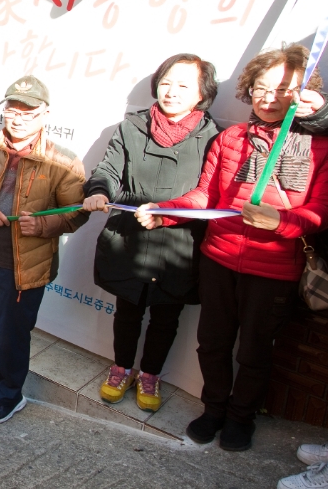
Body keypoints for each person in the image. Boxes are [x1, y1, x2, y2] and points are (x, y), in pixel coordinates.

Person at [136, 44, 328, 452]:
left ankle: (242, 417)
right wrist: (164, 212)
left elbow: (325, 211)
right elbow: (204, 197)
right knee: (212, 342)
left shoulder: (323, 147)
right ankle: (213, 410)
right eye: (261, 87)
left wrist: (283, 222)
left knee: (256, 351)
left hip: (276, 269)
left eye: (282, 89)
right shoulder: (232, 137)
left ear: (302, 94)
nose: (269, 97)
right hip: (219, 260)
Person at [82, 54, 220, 413]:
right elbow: (108, 169)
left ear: (202, 94)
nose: (172, 91)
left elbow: (209, 191)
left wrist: (169, 215)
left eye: (183, 85)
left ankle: (151, 374)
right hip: (130, 235)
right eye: (167, 81)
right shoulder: (131, 127)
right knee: (127, 311)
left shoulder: (213, 136)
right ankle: (121, 368)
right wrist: (98, 190)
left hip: (178, 241)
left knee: (166, 317)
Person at [0, 75, 88, 424]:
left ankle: (8, 396)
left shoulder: (64, 161)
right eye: (13, 108)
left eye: (29, 110)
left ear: (45, 113)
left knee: (13, 336)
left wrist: (41, 225)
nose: (19, 116)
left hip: (24, 266)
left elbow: (76, 213)